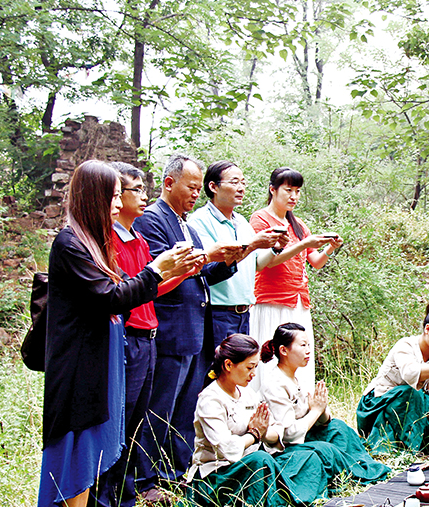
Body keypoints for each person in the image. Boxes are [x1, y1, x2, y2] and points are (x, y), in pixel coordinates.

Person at [38, 159, 194, 507]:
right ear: (92, 198)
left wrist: (162, 273)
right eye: (110, 196)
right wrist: (156, 271)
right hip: (76, 364)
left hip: (100, 356)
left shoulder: (92, 242)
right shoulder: (70, 244)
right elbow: (110, 297)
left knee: (91, 451)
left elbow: (123, 292)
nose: (115, 203)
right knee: (73, 451)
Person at [81, 162, 206, 507]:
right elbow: (124, 291)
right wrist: (162, 271)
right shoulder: (104, 242)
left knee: (135, 427)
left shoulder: (134, 238)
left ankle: (123, 503)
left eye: (134, 190)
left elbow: (150, 287)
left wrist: (182, 271)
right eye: (130, 191)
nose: (140, 197)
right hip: (127, 336)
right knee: (117, 426)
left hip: (149, 334)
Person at [133, 154, 246, 488]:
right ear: (169, 183)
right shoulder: (153, 220)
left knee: (184, 408)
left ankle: (174, 471)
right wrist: (207, 257)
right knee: (159, 409)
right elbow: (160, 272)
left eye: (199, 188)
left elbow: (201, 275)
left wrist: (228, 261)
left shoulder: (185, 223)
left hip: (193, 328)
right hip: (169, 326)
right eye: (192, 187)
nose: (196, 194)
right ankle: (146, 478)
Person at [182, 334, 314, 507]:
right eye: (249, 368)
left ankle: (283, 501)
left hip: (251, 464)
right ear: (228, 365)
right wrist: (254, 434)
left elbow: (276, 430)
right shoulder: (210, 399)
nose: (253, 374)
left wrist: (262, 431)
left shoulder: (246, 393)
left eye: (256, 368)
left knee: (305, 455)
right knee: (260, 459)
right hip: (218, 475)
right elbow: (226, 449)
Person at [259, 323, 392, 488]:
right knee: (325, 449)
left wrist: (321, 408)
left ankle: (365, 467)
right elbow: (288, 434)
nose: (308, 350)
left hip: (306, 434)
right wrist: (315, 411)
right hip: (286, 447)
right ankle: (355, 474)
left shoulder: (298, 376)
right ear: (284, 350)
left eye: (309, 345)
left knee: (339, 429)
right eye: (302, 345)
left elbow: (323, 419)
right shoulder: (274, 384)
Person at [249, 168, 341, 391]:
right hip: (271, 299)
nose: (294, 197)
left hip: (299, 300)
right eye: (288, 190)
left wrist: (330, 247)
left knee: (299, 356)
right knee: (271, 359)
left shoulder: (298, 224)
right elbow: (266, 261)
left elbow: (316, 262)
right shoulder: (260, 219)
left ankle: (300, 408)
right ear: (273, 190)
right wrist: (303, 244)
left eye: (298, 191)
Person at [187, 161, 287, 347]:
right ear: (213, 186)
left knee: (239, 373)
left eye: (243, 183)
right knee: (217, 372)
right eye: (234, 182)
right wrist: (254, 243)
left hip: (243, 312)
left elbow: (256, 264)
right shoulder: (199, 221)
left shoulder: (241, 221)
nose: (241, 188)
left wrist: (274, 248)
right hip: (217, 312)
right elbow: (212, 267)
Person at [356, 295, 429, 454]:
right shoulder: (406, 345)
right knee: (411, 394)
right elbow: (411, 375)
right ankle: (407, 450)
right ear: (427, 329)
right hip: (376, 405)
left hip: (406, 405)